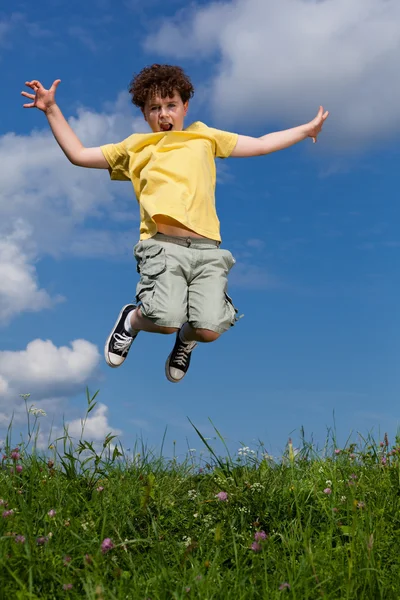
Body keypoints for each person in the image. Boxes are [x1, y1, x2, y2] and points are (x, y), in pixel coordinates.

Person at [22, 64, 328, 383]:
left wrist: (306, 130)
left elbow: (263, 143)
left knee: (208, 329)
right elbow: (79, 154)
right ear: (144, 114)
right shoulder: (135, 147)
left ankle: (186, 338)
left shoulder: (204, 137)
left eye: (171, 105)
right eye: (154, 108)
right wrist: (51, 109)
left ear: (185, 107)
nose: (164, 114)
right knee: (164, 318)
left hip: (208, 250)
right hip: (162, 247)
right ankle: (132, 320)